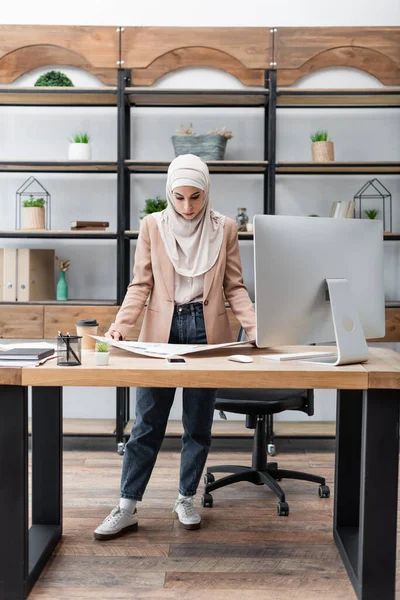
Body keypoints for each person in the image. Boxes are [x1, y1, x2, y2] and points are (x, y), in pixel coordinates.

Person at [94, 154, 255, 540]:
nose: (187, 207)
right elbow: (141, 285)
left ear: (207, 192)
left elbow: (234, 287)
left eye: (195, 197)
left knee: (197, 424)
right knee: (148, 421)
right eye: (179, 197)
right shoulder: (153, 226)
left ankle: (186, 497)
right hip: (160, 331)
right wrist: (120, 327)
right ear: (169, 193)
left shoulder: (225, 228)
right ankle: (127, 506)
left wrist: (257, 327)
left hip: (206, 328)